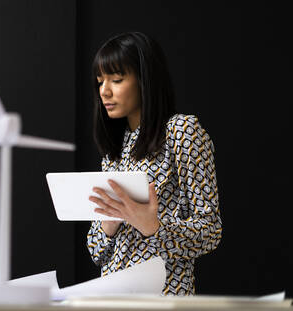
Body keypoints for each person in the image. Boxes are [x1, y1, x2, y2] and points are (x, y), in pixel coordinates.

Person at [86, 31, 222, 296]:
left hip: (164, 299)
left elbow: (210, 231)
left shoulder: (182, 131)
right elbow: (96, 253)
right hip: (112, 299)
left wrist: (155, 228)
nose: (104, 91)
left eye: (116, 79)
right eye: (100, 81)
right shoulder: (113, 153)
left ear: (145, 79)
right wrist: (108, 227)